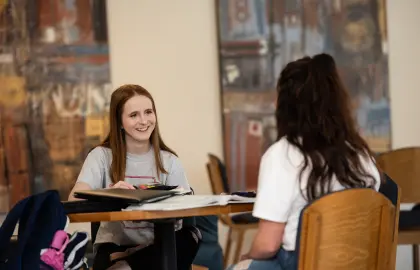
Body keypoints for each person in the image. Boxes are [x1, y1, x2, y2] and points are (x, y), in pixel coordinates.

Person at [227, 53, 382, 270]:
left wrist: (246, 257)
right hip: (359, 262)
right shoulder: (361, 154)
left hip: (303, 263)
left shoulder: (282, 154)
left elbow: (268, 244)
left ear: (286, 104)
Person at [68, 84, 200, 270]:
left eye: (148, 112)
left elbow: (184, 213)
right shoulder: (101, 156)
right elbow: (73, 200)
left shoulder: (170, 161)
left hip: (158, 246)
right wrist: (108, 194)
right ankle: (129, 259)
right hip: (115, 246)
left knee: (192, 236)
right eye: (133, 115)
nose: (144, 120)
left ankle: (127, 264)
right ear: (119, 122)